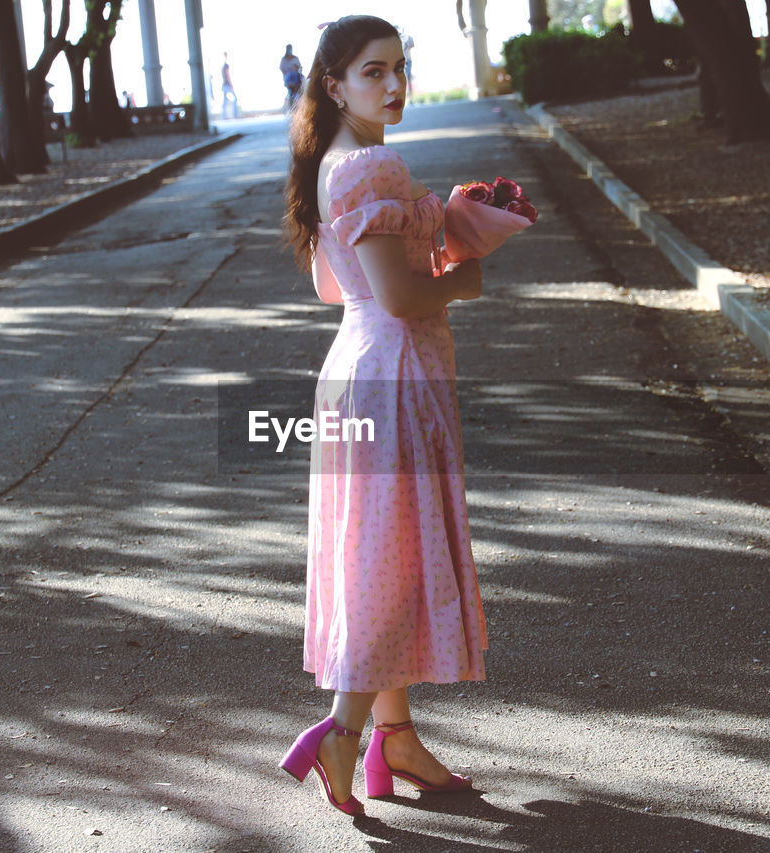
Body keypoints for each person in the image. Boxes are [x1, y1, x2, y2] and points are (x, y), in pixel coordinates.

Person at [279, 15, 486, 818]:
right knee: (390, 569)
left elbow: (336, 287)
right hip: (392, 376)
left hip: (356, 370)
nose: (395, 84)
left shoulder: (331, 163)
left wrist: (426, 239)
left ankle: (393, 738)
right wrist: (464, 276)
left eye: (400, 67)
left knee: (380, 554)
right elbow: (399, 298)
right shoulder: (369, 166)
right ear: (335, 86)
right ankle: (342, 731)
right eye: (374, 72)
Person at [280, 44, 305, 110]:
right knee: (291, 93)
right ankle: (291, 106)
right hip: (288, 79)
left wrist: (296, 67)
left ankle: (298, 105)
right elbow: (282, 69)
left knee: (297, 93)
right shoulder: (283, 59)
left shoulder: (295, 58)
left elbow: (300, 68)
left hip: (296, 79)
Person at [220, 53, 238, 119]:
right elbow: (228, 75)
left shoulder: (222, 66)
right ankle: (235, 115)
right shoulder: (226, 65)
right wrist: (231, 85)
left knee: (225, 101)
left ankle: (224, 116)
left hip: (224, 85)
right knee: (235, 98)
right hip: (227, 85)